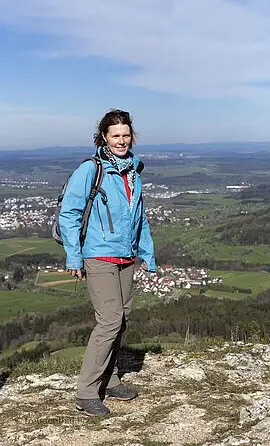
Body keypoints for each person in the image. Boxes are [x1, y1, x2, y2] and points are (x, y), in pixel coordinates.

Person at [59, 109, 156, 416]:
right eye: (115, 135)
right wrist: (74, 256)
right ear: (104, 137)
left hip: (125, 256)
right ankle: (86, 393)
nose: (121, 140)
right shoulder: (91, 169)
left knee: (122, 318)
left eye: (126, 135)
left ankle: (110, 378)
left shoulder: (133, 171)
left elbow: (139, 217)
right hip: (98, 254)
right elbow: (69, 214)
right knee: (110, 319)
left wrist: (147, 254)